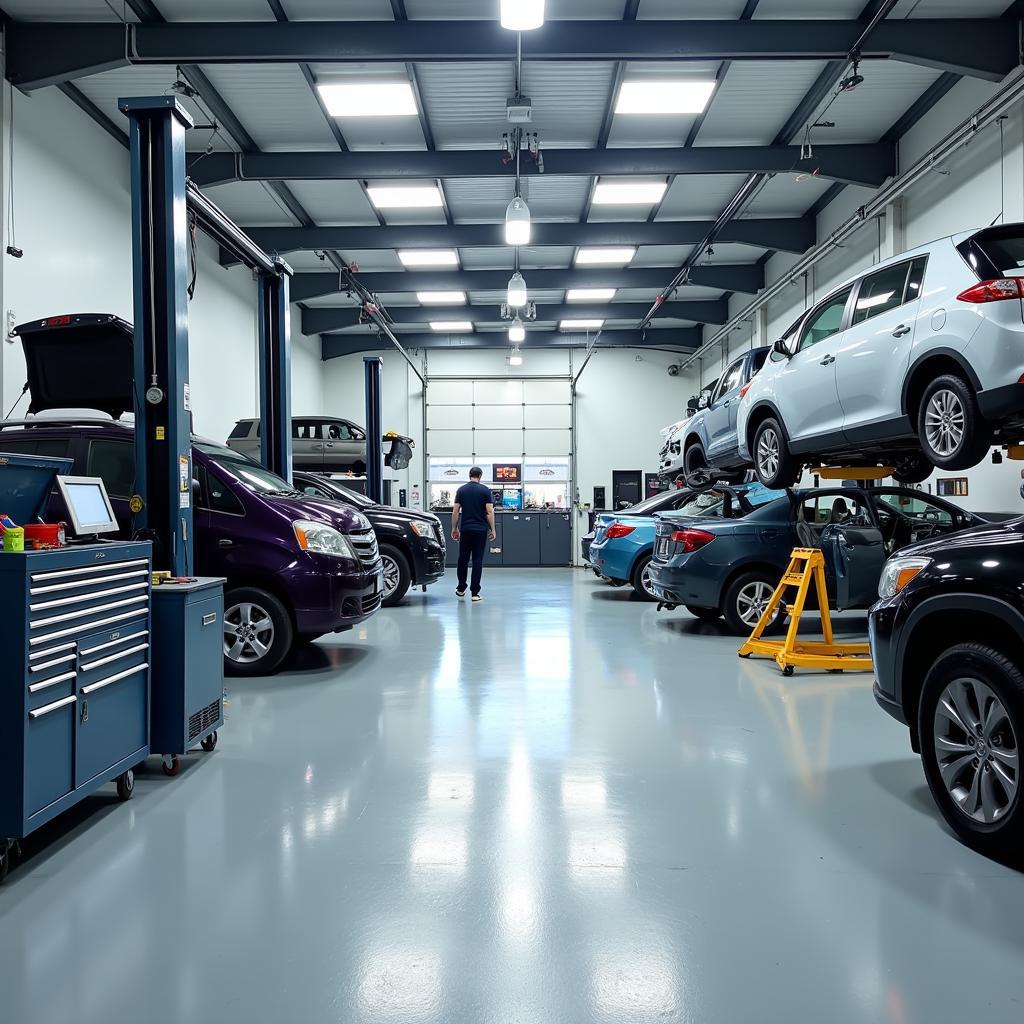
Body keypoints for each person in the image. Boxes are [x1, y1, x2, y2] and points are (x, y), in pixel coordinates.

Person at [451, 467, 496, 602]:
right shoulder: (485, 490)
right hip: (480, 530)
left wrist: (454, 528)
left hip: (465, 530)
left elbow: (455, 511)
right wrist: (492, 529)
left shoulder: (461, 490)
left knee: (462, 559)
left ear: (469, 475)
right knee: (477, 560)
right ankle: (475, 593)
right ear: (480, 476)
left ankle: (460, 588)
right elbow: (489, 512)